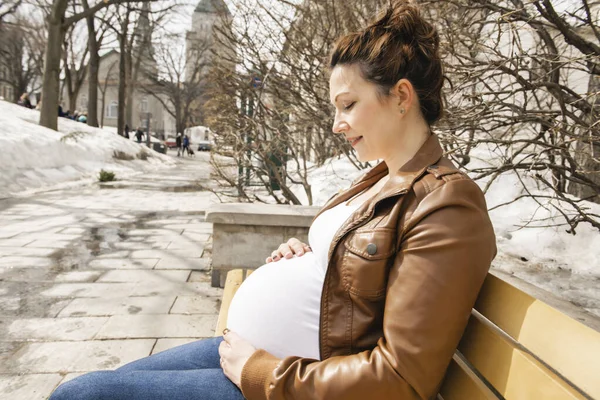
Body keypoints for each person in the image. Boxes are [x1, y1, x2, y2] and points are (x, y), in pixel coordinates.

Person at [49, 2, 496, 400]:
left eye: (348, 105)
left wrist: (260, 372)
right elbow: (361, 282)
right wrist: (311, 257)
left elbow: (401, 379)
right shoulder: (381, 177)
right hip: (260, 359)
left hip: (283, 380)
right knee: (98, 383)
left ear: (400, 96)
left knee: (82, 395)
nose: (337, 124)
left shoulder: (448, 205)